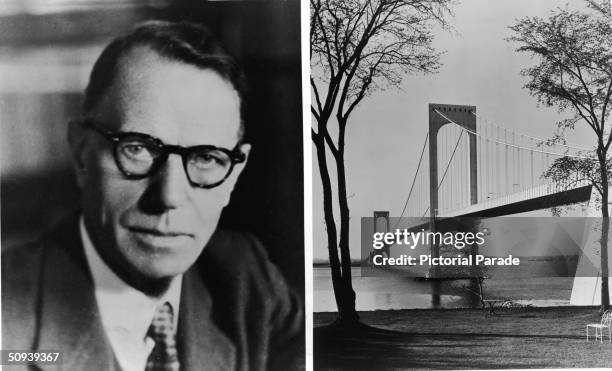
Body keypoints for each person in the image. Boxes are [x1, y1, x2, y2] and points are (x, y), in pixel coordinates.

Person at [2, 20, 304, 371]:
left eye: (207, 158)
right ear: (82, 153)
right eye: (138, 148)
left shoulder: (245, 279)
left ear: (234, 174)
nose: (170, 195)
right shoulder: (8, 312)